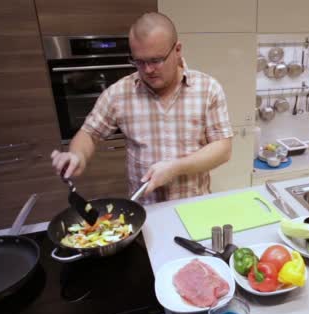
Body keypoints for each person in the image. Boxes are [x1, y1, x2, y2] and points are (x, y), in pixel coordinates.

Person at [51, 12, 233, 204]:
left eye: (156, 60)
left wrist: (176, 167)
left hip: (193, 207)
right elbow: (89, 133)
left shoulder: (208, 89)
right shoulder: (119, 93)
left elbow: (223, 148)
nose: (147, 70)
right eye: (139, 61)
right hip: (145, 210)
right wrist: (77, 155)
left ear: (178, 50)